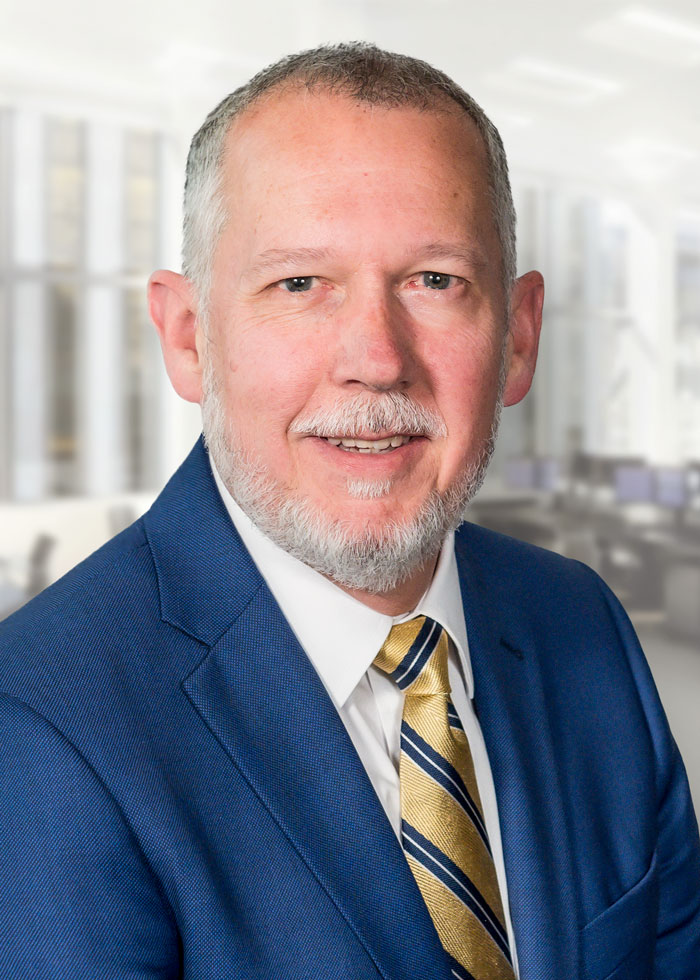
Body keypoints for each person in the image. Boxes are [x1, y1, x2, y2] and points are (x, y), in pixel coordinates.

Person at [1, 42, 698, 980]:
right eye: (299, 284)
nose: (375, 356)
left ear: (519, 337)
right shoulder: (42, 729)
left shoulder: (581, 623)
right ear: (188, 337)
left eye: (435, 280)